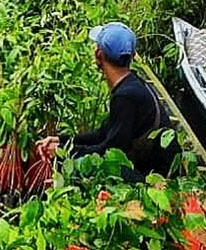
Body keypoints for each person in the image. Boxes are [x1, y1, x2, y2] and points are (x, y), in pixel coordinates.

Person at [37, 23, 178, 179]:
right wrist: (61, 140)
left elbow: (110, 151)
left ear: (98, 54)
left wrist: (64, 152)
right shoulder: (132, 83)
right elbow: (102, 134)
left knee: (82, 168)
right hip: (152, 168)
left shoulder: (125, 97)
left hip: (155, 178)